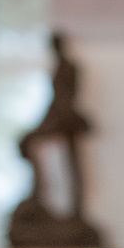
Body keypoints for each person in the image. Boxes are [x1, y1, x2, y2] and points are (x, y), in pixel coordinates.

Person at [18, 32, 91, 219]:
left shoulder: (69, 67)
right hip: (56, 115)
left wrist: (56, 119)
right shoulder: (59, 67)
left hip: (64, 117)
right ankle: (38, 196)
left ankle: (74, 210)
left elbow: (66, 98)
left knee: (72, 166)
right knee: (28, 143)